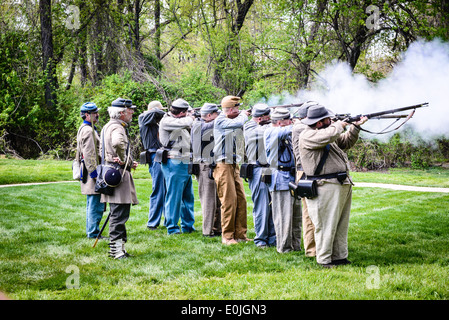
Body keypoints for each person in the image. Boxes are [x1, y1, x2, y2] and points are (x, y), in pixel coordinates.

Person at [298, 104, 367, 268]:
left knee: (340, 224)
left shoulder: (328, 133)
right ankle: (324, 259)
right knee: (326, 225)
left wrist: (355, 127)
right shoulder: (308, 135)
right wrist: (341, 124)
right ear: (320, 122)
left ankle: (339, 256)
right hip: (324, 184)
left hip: (340, 183)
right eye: (328, 119)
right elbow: (330, 134)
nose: (332, 120)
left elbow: (345, 142)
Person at [100, 98, 139, 259]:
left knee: (118, 213)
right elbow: (117, 143)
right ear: (122, 112)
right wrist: (123, 159)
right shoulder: (117, 127)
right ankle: (116, 252)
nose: (132, 113)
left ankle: (119, 249)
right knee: (119, 215)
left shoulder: (107, 126)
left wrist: (128, 160)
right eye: (130, 110)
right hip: (118, 175)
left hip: (111, 172)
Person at [213, 95, 252, 245]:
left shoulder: (230, 119)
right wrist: (243, 115)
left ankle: (241, 234)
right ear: (229, 109)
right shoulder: (221, 120)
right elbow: (239, 122)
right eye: (236, 108)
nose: (239, 110)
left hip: (234, 162)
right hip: (223, 164)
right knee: (228, 201)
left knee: (241, 199)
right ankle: (227, 236)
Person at [264, 107, 302, 253]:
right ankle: (284, 248)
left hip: (292, 177)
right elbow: (289, 130)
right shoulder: (271, 131)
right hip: (280, 178)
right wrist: (301, 122)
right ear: (280, 122)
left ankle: (295, 246)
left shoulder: (283, 130)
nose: (290, 122)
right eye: (288, 120)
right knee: (283, 217)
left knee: (295, 216)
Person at [159, 98, 196, 235]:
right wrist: (191, 116)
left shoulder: (180, 120)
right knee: (174, 197)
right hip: (174, 162)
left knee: (188, 196)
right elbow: (186, 122)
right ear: (181, 112)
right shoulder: (167, 120)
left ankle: (188, 225)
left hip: (184, 160)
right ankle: (172, 227)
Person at [243, 103, 276, 248]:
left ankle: (273, 238)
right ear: (261, 117)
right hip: (257, 169)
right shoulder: (250, 126)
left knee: (273, 205)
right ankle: (261, 239)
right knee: (262, 206)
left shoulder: (265, 125)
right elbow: (264, 132)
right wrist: (277, 120)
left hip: (270, 168)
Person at [191, 103, 222, 238]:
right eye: (216, 114)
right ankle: (207, 231)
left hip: (211, 164)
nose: (218, 117)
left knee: (217, 200)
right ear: (209, 115)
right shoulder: (200, 125)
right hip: (204, 165)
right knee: (208, 201)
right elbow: (214, 125)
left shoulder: (203, 123)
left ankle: (217, 228)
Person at [292, 101, 318, 257]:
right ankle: (311, 250)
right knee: (309, 215)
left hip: (309, 171)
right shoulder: (300, 127)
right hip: (304, 172)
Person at [76, 102, 104, 239]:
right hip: (91, 172)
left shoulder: (86, 128)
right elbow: (89, 154)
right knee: (95, 204)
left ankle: (92, 231)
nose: (97, 115)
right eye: (94, 113)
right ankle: (93, 233)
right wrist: (95, 174)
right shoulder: (88, 130)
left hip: (88, 170)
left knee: (92, 203)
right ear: (87, 115)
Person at [138, 100, 167, 230]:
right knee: (159, 190)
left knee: (165, 190)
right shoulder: (144, 118)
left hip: (160, 155)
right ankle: (152, 222)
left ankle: (168, 220)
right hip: (155, 156)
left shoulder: (151, 121)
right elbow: (155, 112)